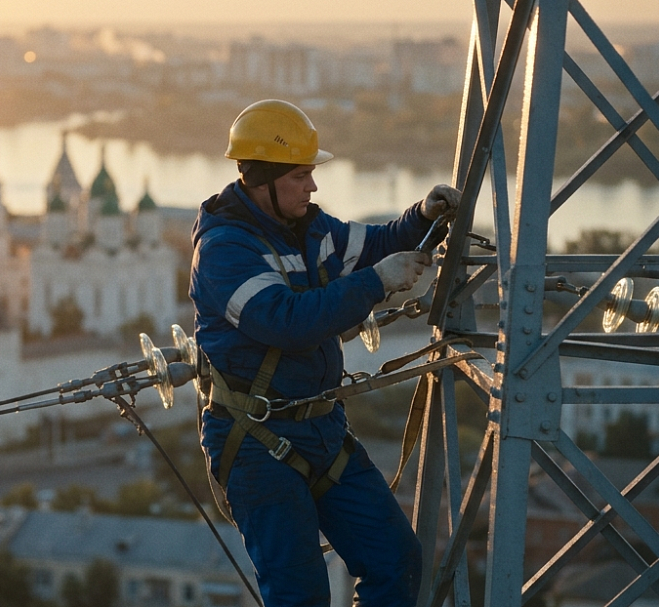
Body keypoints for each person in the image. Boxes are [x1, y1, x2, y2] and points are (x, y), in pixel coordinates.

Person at [189, 99, 460, 607]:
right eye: (301, 176)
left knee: (397, 563)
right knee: (300, 597)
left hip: (322, 429)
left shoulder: (310, 230)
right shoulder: (226, 250)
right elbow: (287, 323)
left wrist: (423, 216)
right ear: (261, 178)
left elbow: (376, 244)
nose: (313, 187)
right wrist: (377, 282)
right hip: (256, 442)